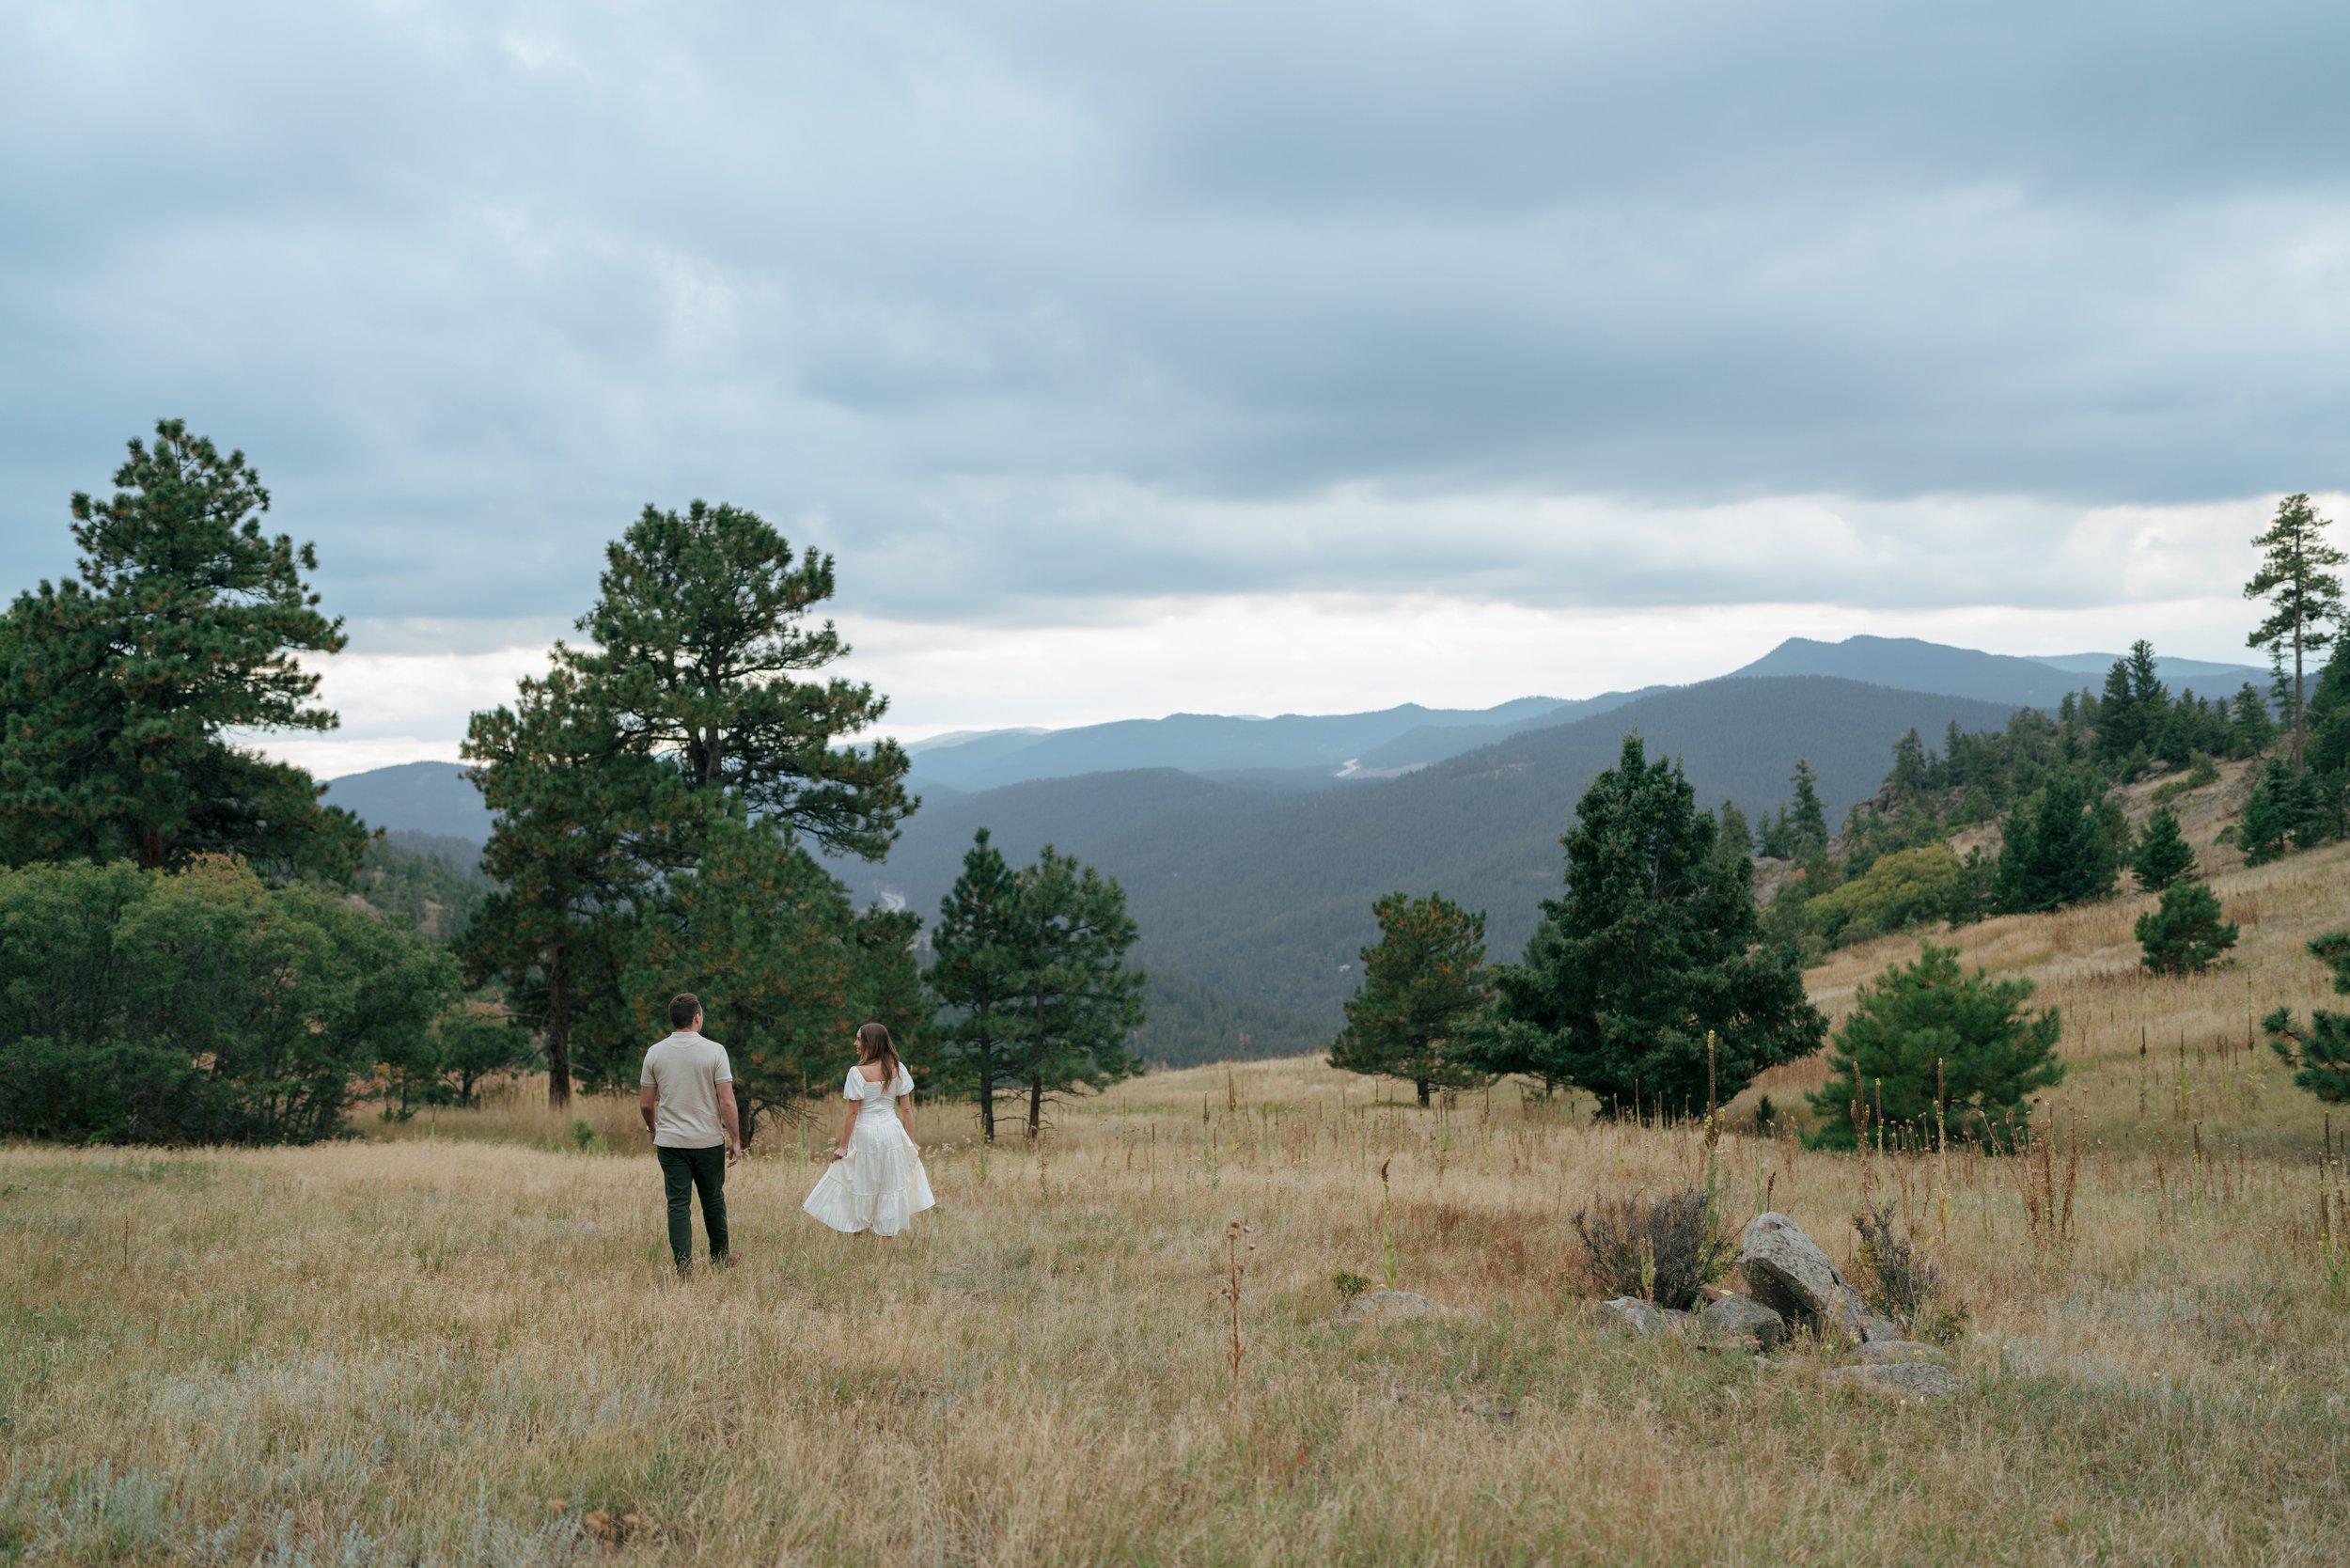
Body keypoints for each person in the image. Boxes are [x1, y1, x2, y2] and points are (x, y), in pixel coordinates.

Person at [638, 992, 740, 1276]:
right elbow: (727, 1101)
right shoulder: (715, 1051)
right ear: (697, 1017)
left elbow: (646, 1103)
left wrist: (652, 1127)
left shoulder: (655, 1052)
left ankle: (684, 1267)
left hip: (670, 1141)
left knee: (678, 1204)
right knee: (713, 1199)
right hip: (708, 1140)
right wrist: (736, 1139)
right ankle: (720, 1258)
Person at [803, 1022, 934, 1238]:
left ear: (869, 1042)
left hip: (865, 1133)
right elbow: (907, 1110)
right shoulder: (898, 1069)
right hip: (891, 1132)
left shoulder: (856, 1073)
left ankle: (857, 1236)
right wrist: (911, 1141)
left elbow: (852, 1114)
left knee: (861, 1181)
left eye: (859, 1039)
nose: (855, 1043)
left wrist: (843, 1146)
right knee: (889, 1185)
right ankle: (885, 1247)